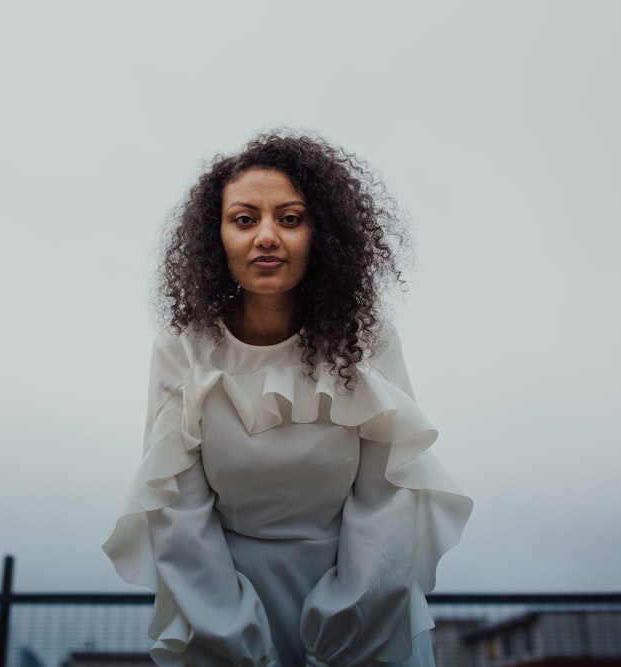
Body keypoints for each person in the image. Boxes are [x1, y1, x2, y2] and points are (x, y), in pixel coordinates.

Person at [103, 132, 473, 667]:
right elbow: (178, 513)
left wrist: (345, 632)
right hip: (223, 612)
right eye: (245, 219)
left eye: (291, 219)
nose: (268, 237)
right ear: (217, 238)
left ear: (322, 235)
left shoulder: (368, 340)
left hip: (363, 612)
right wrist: (235, 640)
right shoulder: (181, 349)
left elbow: (388, 501)